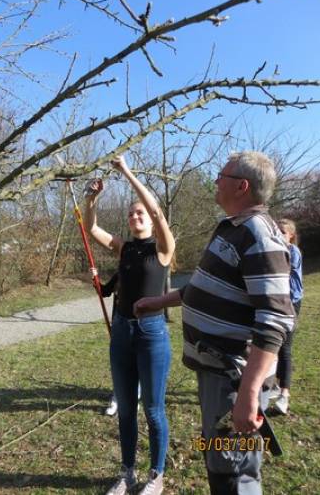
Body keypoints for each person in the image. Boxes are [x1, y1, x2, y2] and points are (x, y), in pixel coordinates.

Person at [134, 151, 295, 495]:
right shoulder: (233, 229)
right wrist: (159, 302)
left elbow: (276, 319)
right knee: (220, 458)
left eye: (221, 175)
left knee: (235, 471)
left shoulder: (258, 235)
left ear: (241, 186)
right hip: (216, 374)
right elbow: (204, 287)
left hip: (234, 378)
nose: (215, 181)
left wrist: (249, 394)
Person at [84, 155, 175, 495]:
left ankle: (156, 475)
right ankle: (127, 473)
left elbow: (158, 213)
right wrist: (91, 199)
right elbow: (92, 228)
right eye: (131, 213)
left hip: (152, 333)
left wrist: (126, 172)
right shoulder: (124, 249)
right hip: (122, 331)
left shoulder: (163, 249)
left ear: (149, 220)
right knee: (125, 409)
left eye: (140, 213)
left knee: (153, 410)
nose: (136, 216)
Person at [269, 218, 303, 415]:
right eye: (276, 230)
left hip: (291, 302)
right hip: (276, 301)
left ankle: (284, 394)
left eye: (282, 231)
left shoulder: (292, 252)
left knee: (285, 348)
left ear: (291, 235)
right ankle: (273, 385)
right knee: (271, 347)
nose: (278, 234)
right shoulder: (275, 250)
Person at [100, 272, 141, 416]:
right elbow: (105, 291)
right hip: (119, 325)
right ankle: (117, 397)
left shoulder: (144, 274)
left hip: (139, 325)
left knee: (136, 364)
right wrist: (96, 278)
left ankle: (133, 398)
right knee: (119, 364)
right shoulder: (120, 274)